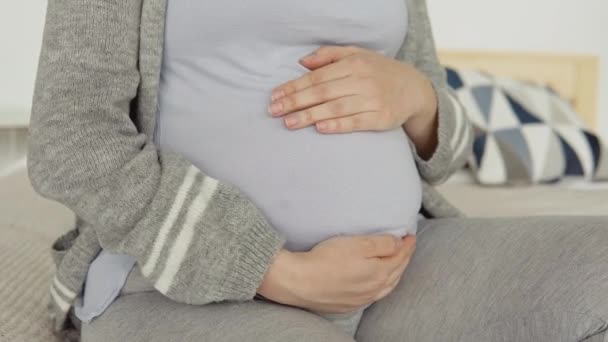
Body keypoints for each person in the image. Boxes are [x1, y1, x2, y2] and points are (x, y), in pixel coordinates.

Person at [28, 0, 608, 341]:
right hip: (179, 285)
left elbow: (447, 154)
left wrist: (422, 100)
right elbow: (70, 141)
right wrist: (272, 270)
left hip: (401, 268)